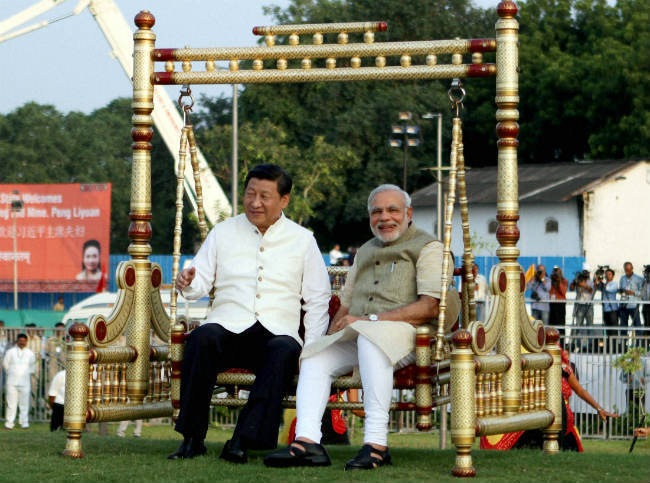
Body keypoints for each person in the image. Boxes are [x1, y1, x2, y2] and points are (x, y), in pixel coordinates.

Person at [264, 184, 460, 471]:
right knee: (316, 355)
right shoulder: (365, 250)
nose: (385, 217)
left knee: (371, 340)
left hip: (411, 334)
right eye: (377, 212)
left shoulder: (430, 248)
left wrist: (370, 321)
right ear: (370, 217)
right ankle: (307, 443)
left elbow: (430, 307)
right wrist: (330, 336)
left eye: (392, 210)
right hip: (363, 332)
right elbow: (346, 304)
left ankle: (376, 445)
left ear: (408, 213)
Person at [168, 164, 331, 463]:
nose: (255, 203)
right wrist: (188, 282)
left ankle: (242, 440)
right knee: (202, 338)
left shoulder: (303, 239)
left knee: (284, 350)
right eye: (250, 194)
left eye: (264, 196)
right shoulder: (223, 232)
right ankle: (192, 438)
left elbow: (318, 300)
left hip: (277, 332)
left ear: (284, 199)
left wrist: (313, 348)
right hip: (228, 326)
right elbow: (198, 281)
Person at [481, 347, 618, 451]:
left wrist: (598, 408)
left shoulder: (565, 370)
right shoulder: (535, 371)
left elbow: (580, 391)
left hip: (565, 423)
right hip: (540, 419)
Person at [3, 333, 36, 429]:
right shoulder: (10, 351)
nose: (22, 342)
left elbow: (32, 366)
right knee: (11, 404)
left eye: (24, 341)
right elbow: (5, 363)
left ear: (26, 342)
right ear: (17, 341)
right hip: (12, 381)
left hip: (25, 382)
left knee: (24, 404)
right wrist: (11, 371)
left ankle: (24, 423)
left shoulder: (30, 353)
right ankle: (9, 424)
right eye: (20, 341)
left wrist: (25, 373)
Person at [618, 262, 644, 330]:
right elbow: (620, 289)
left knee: (637, 324)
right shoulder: (622, 278)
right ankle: (624, 337)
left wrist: (633, 293)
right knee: (623, 325)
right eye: (626, 270)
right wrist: (621, 291)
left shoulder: (638, 278)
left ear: (632, 269)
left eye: (629, 270)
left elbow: (642, 293)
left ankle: (639, 337)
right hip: (624, 304)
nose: (627, 271)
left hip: (633, 305)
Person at [549, 266, 568, 331]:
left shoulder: (564, 280)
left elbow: (563, 291)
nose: (556, 275)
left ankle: (562, 337)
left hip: (560, 304)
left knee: (561, 323)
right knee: (552, 323)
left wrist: (559, 280)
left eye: (557, 273)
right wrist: (552, 279)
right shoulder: (550, 280)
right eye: (554, 273)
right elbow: (548, 290)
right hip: (552, 304)